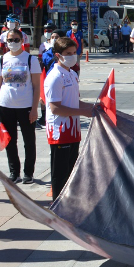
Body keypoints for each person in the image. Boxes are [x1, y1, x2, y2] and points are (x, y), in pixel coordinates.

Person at [44, 37, 94, 200]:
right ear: (58, 55)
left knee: (71, 169)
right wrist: (83, 112)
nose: (73, 56)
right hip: (60, 131)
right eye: (68, 54)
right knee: (60, 173)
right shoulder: (55, 77)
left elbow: (74, 101)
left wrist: (92, 107)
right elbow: (55, 108)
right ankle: (58, 205)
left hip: (73, 130)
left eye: (74, 53)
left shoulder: (71, 73)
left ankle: (69, 202)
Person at [0, 28, 41, 184]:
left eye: (16, 39)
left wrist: (34, 108)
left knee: (29, 140)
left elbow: (36, 86)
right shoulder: (1, 60)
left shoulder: (30, 60)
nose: (12, 43)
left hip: (26, 106)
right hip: (5, 105)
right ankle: (14, 172)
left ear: (22, 41)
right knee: (10, 141)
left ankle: (29, 173)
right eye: (10, 40)